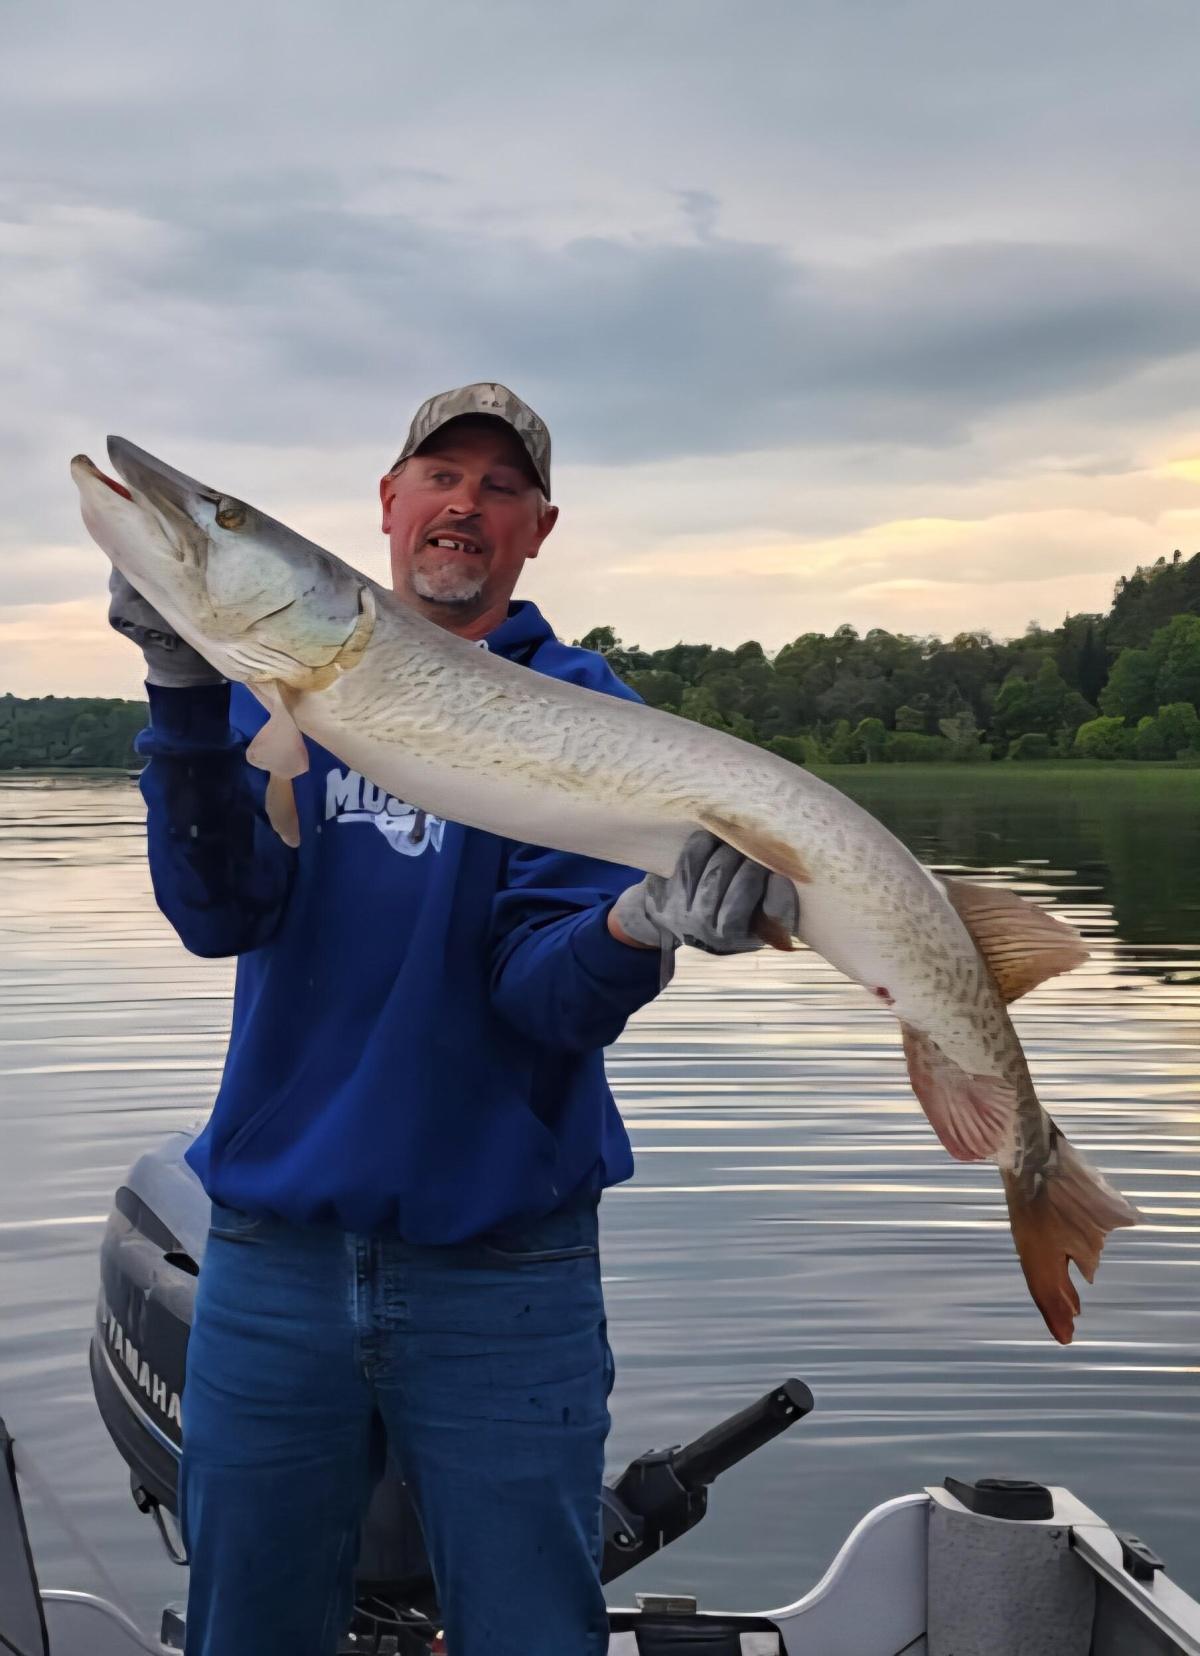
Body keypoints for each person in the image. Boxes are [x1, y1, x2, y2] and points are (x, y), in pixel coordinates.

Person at [109, 383, 798, 1656]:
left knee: (535, 1630)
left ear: (539, 526)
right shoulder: (278, 700)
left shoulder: (596, 720)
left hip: (505, 1272)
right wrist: (177, 687)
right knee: (246, 1630)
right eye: (439, 475)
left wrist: (640, 927)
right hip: (274, 1259)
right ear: (387, 502)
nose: (463, 506)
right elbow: (216, 913)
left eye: (497, 486)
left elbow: (541, 999)